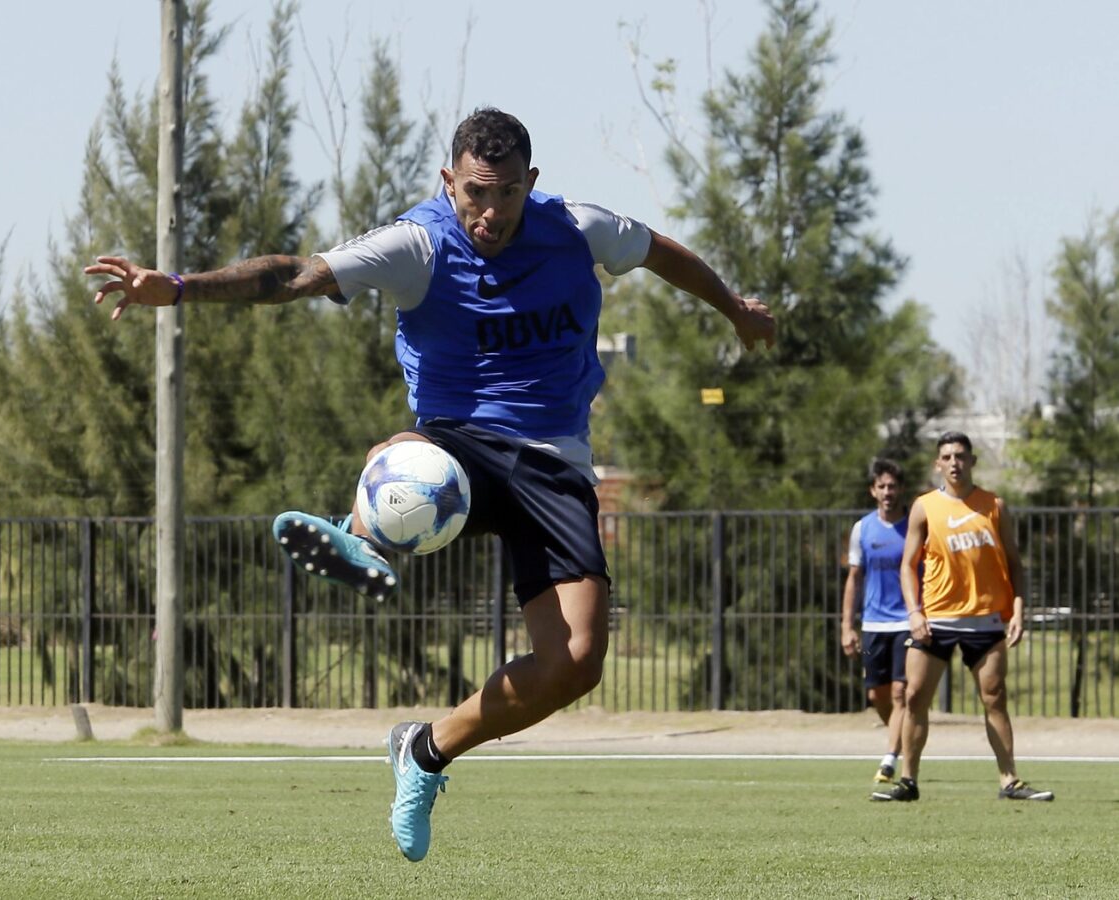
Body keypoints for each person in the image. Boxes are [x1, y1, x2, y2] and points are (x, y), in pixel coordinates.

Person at [86, 107, 776, 859]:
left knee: (576, 664)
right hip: (461, 445)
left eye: (507, 193)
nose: (491, 210)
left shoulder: (577, 228)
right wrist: (180, 287)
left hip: (556, 465)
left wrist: (734, 308)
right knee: (416, 462)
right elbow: (293, 275)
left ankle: (424, 750)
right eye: (476, 192)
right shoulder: (418, 244)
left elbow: (659, 252)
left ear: (530, 184)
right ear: (448, 181)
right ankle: (362, 529)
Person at [871, 432, 1053, 802]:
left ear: (972, 461)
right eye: (947, 456)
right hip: (935, 619)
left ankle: (1009, 781)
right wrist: (914, 612)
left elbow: (1015, 565)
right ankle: (908, 781)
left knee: (995, 697)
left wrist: (1018, 608)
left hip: (985, 621)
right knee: (916, 697)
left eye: (961, 456)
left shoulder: (994, 505)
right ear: (938, 463)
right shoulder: (925, 507)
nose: (954, 462)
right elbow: (908, 566)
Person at [839, 458, 910, 784]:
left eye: (892, 486)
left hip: (907, 623)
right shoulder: (862, 529)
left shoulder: (914, 527)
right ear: (872, 490)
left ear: (901, 489)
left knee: (900, 694)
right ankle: (901, 734)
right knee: (876, 696)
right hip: (873, 626)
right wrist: (846, 626)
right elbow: (854, 578)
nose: (887, 492)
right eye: (881, 486)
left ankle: (890, 758)